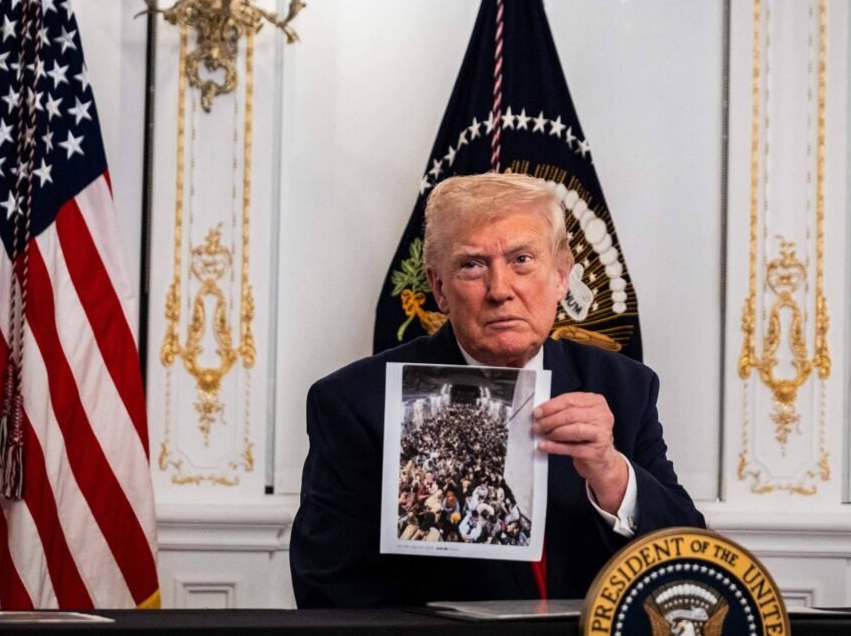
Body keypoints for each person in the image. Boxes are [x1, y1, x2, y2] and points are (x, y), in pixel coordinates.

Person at [290, 173, 705, 608]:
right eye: (472, 265)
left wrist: (612, 474)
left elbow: (694, 566)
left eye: (522, 259)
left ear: (561, 276)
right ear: (439, 288)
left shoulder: (624, 386)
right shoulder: (356, 402)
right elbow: (328, 589)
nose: (500, 290)